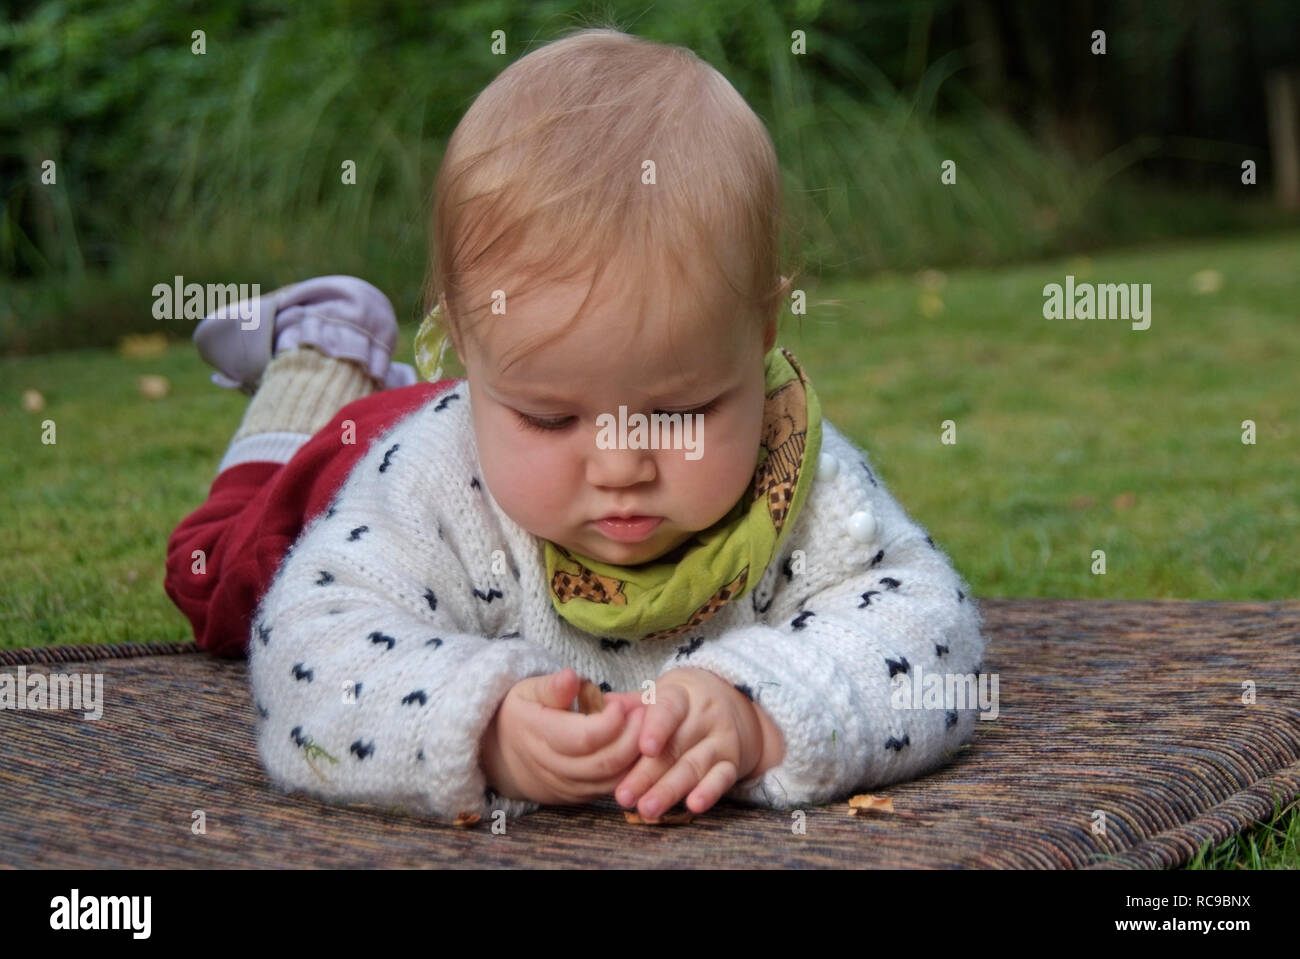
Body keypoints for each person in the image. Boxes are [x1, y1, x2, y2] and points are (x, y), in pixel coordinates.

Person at [164, 27, 987, 826]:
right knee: (219, 573)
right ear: (467, 347)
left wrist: (760, 708)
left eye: (681, 412)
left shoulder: (801, 479)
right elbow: (304, 649)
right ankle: (322, 350)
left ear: (762, 332)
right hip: (345, 460)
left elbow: (932, 634)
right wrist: (478, 725)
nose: (621, 464)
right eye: (551, 416)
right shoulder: (427, 484)